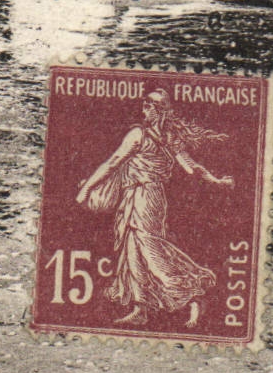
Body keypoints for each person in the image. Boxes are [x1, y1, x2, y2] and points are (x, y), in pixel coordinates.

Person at [76, 90, 234, 326]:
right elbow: (191, 167)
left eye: (149, 106)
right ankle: (141, 307)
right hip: (141, 196)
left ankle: (190, 295)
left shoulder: (140, 135)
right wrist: (215, 180)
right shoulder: (168, 138)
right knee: (133, 249)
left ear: (159, 111)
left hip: (144, 196)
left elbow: (113, 163)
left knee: (150, 249)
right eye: (145, 105)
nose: (144, 109)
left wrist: (87, 188)